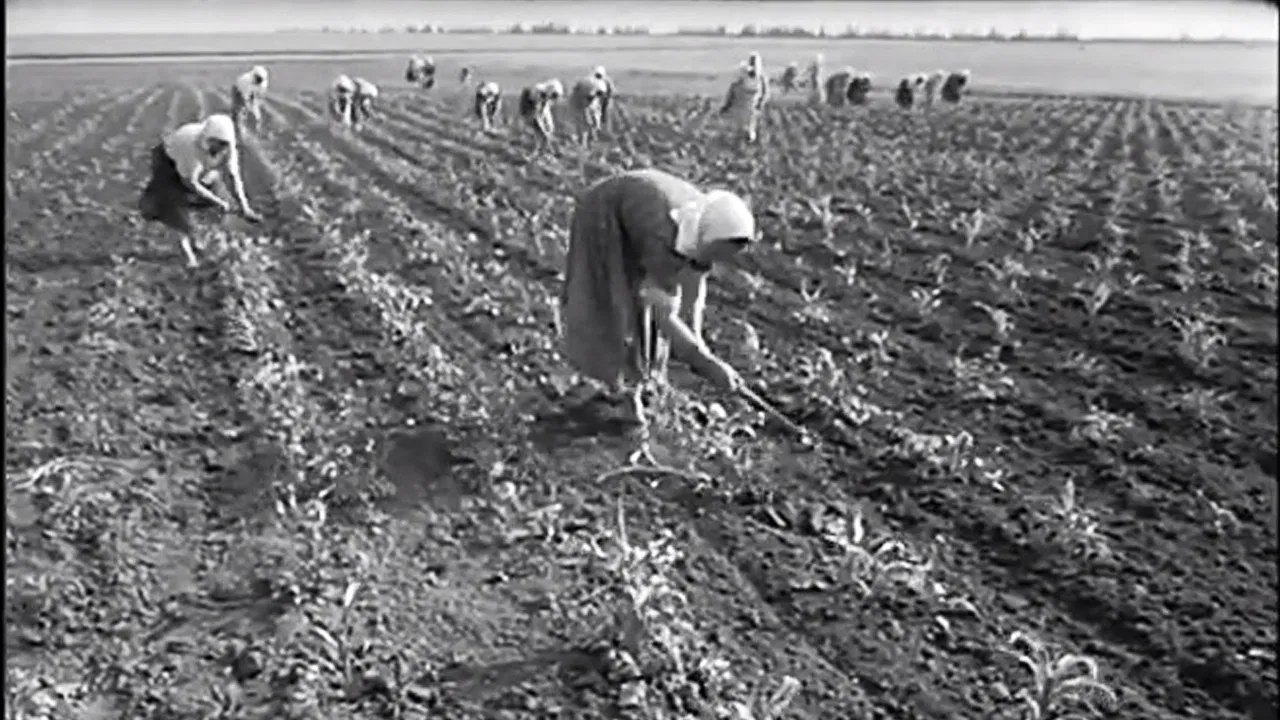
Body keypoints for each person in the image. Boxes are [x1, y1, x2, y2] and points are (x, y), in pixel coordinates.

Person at [560, 169, 755, 436]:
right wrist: (704, 362)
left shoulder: (703, 224)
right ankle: (622, 393)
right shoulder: (665, 237)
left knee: (646, 307)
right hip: (603, 214)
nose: (720, 261)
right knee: (618, 303)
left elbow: (694, 288)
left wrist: (697, 341)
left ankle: (645, 380)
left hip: (637, 214)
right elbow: (662, 313)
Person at [137, 113, 261, 267]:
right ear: (206, 138)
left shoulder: (228, 150)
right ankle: (188, 257)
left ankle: (200, 239)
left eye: (223, 144)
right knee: (175, 209)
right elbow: (191, 183)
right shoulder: (189, 146)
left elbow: (232, 178)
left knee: (217, 198)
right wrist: (218, 201)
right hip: (169, 162)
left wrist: (244, 207)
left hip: (194, 169)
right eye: (214, 142)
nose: (218, 147)